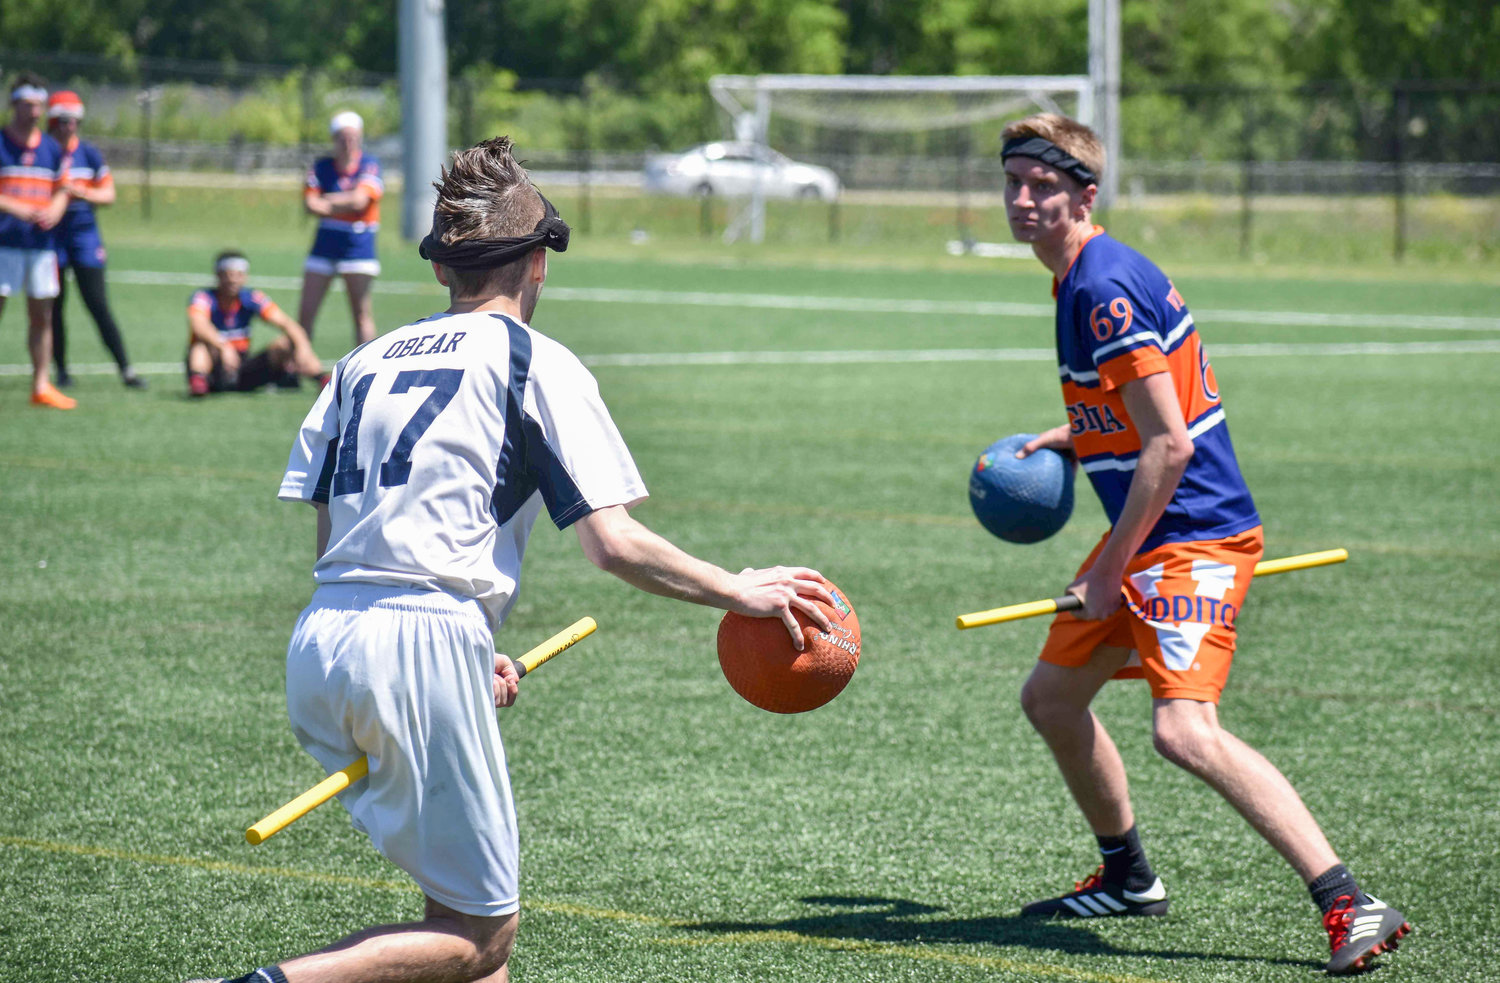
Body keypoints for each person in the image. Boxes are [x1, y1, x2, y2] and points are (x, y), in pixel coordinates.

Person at [186, 136, 834, 983]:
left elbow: (339, 534)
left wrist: (465, 639)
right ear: (537, 262)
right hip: (416, 646)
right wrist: (736, 589)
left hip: (324, 637)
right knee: (480, 934)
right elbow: (615, 543)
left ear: (442, 267)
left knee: (456, 928)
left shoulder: (358, 363)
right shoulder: (533, 360)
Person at [998, 114, 1410, 976]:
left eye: (1043, 186)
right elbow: (1153, 409)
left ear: (1084, 192)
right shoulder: (1085, 276)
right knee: (1052, 698)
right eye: (1014, 183)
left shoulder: (1101, 288)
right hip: (1149, 532)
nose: (1023, 199)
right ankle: (1128, 875)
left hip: (1194, 539)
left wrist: (1111, 571)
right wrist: (1077, 436)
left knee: (1184, 730)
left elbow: (1172, 445)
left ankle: (1349, 899)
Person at [45, 89, 146, 389]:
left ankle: (126, 369)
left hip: (84, 236)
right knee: (54, 306)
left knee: (98, 304)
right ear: (52, 121)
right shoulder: (44, 152)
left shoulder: (87, 153)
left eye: (75, 120)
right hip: (51, 237)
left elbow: (109, 194)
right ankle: (61, 371)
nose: (70, 126)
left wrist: (82, 192)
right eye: (64, 120)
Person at [0, 72, 74, 409]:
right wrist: (15, 208)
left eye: (40, 106)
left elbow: (63, 188)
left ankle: (41, 385)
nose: (35, 112)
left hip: (41, 247)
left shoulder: (50, 148)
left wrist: (56, 209)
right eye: (28, 104)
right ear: (14, 103)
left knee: (42, 316)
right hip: (4, 244)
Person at [186, 251, 325, 396]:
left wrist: (302, 349)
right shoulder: (203, 297)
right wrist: (223, 346)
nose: (232, 280)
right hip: (216, 366)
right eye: (227, 274)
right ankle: (199, 381)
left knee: (289, 342)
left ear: (245, 276)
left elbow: (288, 324)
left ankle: (323, 379)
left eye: (238, 275)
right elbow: (198, 325)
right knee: (200, 346)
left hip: (242, 366)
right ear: (218, 275)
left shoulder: (251, 298)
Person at [298, 110, 382, 347]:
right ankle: (298, 365)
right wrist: (346, 203)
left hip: (359, 247)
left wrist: (328, 200)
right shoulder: (322, 166)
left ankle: (368, 367)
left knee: (361, 315)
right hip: (324, 245)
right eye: (342, 137)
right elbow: (310, 205)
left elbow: (360, 201)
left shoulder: (369, 164)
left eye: (353, 137)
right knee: (305, 314)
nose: (348, 143)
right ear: (334, 139)